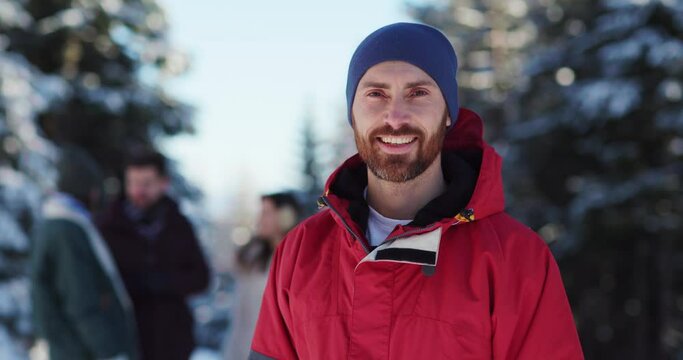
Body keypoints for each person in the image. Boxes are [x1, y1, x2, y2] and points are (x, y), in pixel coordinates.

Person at [250, 23, 584, 359]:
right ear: (352, 112)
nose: (395, 117)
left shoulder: (516, 259)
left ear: (449, 114)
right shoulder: (300, 252)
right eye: (375, 94)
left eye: (418, 93)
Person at [97, 150, 210, 360]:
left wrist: (163, 282)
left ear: (163, 183)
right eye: (133, 182)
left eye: (147, 183)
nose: (139, 190)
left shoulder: (179, 225)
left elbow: (201, 278)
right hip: (125, 340)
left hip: (172, 342)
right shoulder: (107, 225)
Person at [31, 145, 138, 360]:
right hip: (79, 352)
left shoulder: (63, 225)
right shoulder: (66, 230)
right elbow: (81, 301)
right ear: (90, 191)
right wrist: (110, 352)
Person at [222, 192, 302, 360]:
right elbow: (240, 316)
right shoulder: (252, 257)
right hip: (243, 350)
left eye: (266, 213)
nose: (260, 220)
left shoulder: (300, 261)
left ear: (286, 216)